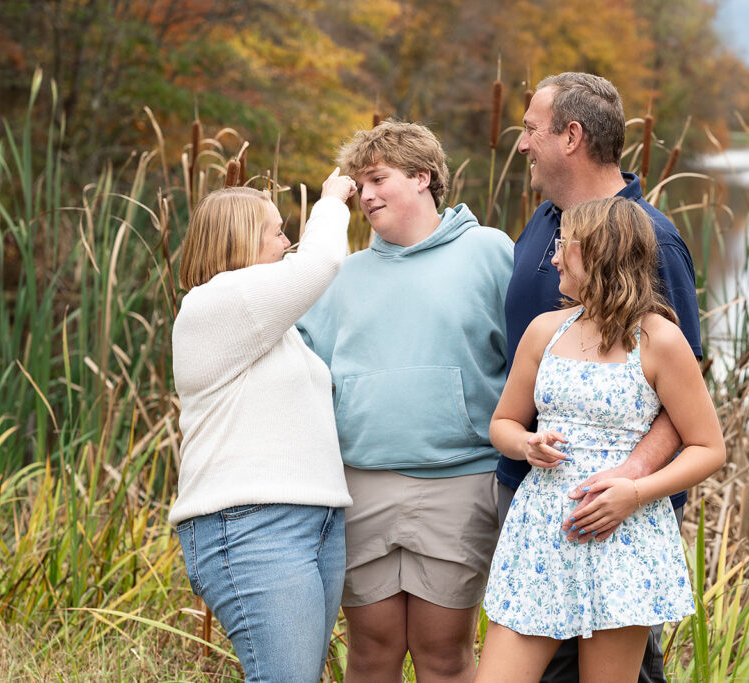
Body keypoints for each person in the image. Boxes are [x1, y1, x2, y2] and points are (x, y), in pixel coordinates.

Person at [495, 72, 703, 682]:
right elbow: (514, 393)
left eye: (532, 129)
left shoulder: (649, 241)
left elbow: (683, 401)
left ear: (572, 136)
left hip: (612, 517)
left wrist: (628, 484)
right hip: (532, 500)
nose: (523, 143)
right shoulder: (545, 223)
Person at [296, 121, 513, 683]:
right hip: (361, 484)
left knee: (442, 652)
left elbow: (529, 357)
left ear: (423, 177)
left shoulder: (489, 251)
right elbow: (301, 361)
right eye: (358, 184)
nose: (365, 195)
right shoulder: (343, 274)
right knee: (371, 650)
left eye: (377, 179)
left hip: (458, 482)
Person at [477, 197, 725, 682]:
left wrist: (634, 493)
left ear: (595, 254)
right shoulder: (544, 331)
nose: (552, 259)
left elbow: (708, 448)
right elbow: (502, 423)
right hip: (541, 533)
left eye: (562, 247)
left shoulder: (660, 340)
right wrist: (526, 444)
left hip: (623, 535)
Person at [170, 169, 357, 683]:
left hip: (315, 522)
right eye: (276, 231)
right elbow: (319, 262)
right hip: (251, 525)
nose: (288, 241)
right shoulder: (216, 302)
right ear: (238, 239)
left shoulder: (272, 327)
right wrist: (332, 200)